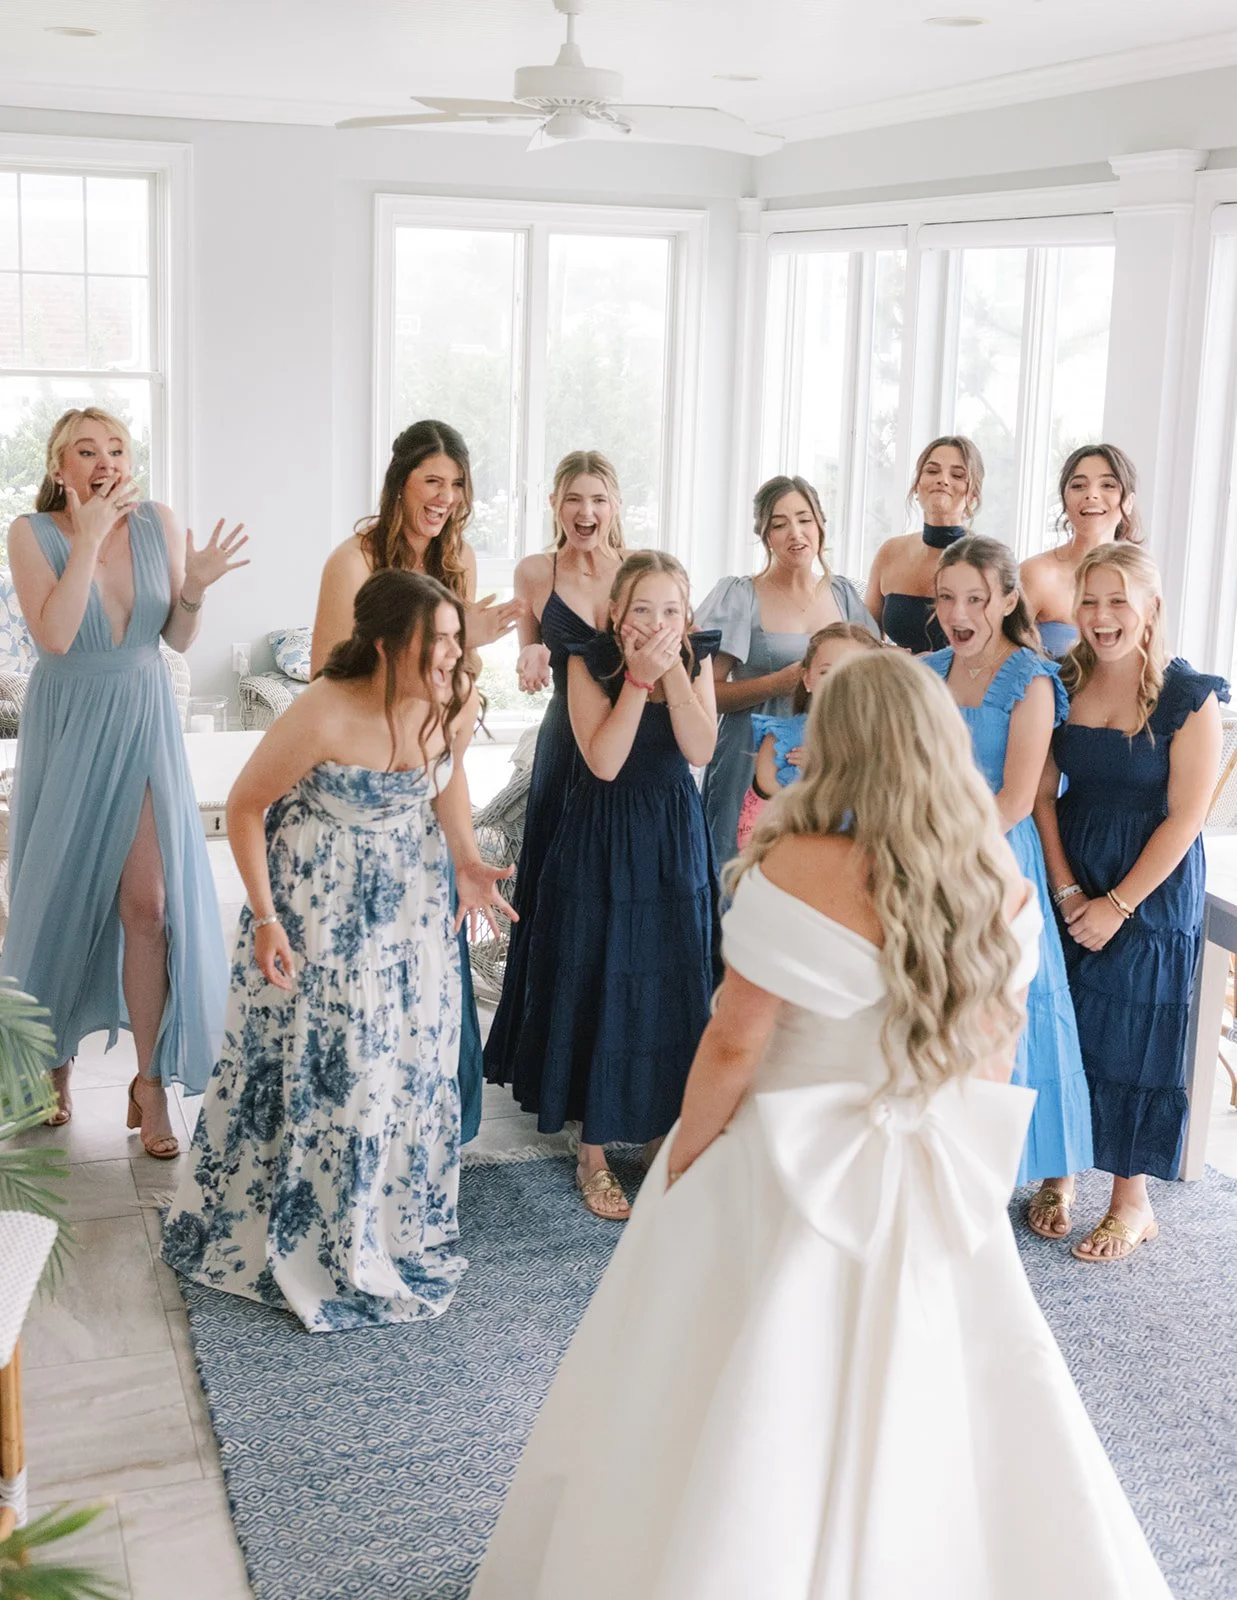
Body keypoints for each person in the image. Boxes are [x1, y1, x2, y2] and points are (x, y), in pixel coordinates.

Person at [469, 650, 1172, 1600]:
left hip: (778, 1158)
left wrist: (686, 1159)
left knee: (719, 1380)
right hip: (932, 1160)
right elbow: (996, 1050)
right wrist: (960, 1167)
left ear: (836, 747)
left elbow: (731, 1044)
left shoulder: (799, 863)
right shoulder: (993, 883)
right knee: (948, 1391)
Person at [161, 571, 515, 1331]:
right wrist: (264, 920)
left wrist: (466, 860)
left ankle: (388, 1226)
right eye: (440, 640)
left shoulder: (452, 698)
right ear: (387, 645)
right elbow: (247, 808)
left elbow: (443, 782)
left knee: (405, 1066)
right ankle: (314, 1237)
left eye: (457, 637)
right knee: (338, 1070)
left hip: (412, 908)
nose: (455, 653)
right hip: (318, 908)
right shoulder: (320, 711)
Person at [2, 407, 244, 1153]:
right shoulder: (29, 533)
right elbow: (55, 633)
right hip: (69, 722)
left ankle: (149, 1085)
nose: (105, 460)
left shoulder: (159, 523)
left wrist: (195, 588)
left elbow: (172, 637)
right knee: (56, 901)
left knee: (152, 906)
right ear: (59, 468)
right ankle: (51, 1062)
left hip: (141, 716)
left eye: (116, 448)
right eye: (86, 450)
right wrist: (92, 537)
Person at [310, 420, 509, 1143]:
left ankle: (429, 1138)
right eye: (433, 482)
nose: (446, 499)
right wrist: (455, 654)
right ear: (401, 484)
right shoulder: (353, 561)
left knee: (431, 966)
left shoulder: (459, 562)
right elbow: (326, 680)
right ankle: (362, 1134)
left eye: (456, 486)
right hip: (362, 795)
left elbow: (449, 699)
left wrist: (461, 676)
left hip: (428, 782)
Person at [506, 551, 720, 1220]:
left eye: (670, 611)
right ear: (615, 613)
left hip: (671, 838)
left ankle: (661, 1134)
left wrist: (674, 676)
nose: (655, 623)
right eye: (642, 610)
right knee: (603, 977)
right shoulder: (584, 658)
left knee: (670, 978)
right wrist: (636, 679)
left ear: (685, 617)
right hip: (601, 836)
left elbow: (700, 749)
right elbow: (601, 760)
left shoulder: (697, 658)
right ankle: (593, 1153)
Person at [1035, 545, 1226, 1261]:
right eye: (1089, 600)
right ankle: (1058, 1172)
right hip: (1072, 868)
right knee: (1068, 1023)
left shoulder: (1188, 696)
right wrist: (1064, 889)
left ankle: (1130, 1199)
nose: (1100, 616)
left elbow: (1186, 817)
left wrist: (1114, 904)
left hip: (1148, 888)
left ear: (1148, 609)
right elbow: (1037, 794)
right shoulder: (1059, 681)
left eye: (1117, 601)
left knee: (1133, 1036)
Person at [925, 537, 1093, 1224]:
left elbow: (1016, 800)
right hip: (931, 852)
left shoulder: (1028, 677)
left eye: (973, 598)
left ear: (1004, 599)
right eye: (945, 598)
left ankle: (1052, 1168)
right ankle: (949, 1155)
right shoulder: (927, 670)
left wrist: (944, 851)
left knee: (1023, 1012)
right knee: (942, 1010)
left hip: (997, 860)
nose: (958, 613)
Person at [483, 451, 626, 1089]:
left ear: (615, 505)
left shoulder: (636, 573)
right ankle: (542, 1051)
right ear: (554, 505)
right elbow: (530, 652)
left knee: (610, 894)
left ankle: (603, 1042)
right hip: (564, 745)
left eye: (598, 499)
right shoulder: (536, 571)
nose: (586, 512)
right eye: (574, 499)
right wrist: (534, 653)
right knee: (554, 893)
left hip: (624, 751)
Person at [697, 475, 876, 867]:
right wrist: (778, 683)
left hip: (831, 758)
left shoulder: (845, 595)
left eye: (804, 519)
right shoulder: (740, 594)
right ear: (765, 536)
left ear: (820, 525)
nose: (795, 532)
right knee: (739, 869)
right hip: (749, 756)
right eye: (779, 524)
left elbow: (875, 682)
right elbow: (705, 693)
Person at [737, 622, 881, 849]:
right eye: (826, 672)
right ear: (807, 679)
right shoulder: (780, 740)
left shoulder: (883, 745)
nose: (838, 682)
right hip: (791, 860)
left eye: (853, 672)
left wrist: (832, 770)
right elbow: (758, 820)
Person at [863, 435, 984, 653]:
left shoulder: (987, 561)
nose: (943, 480)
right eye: (932, 471)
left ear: (973, 495)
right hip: (895, 681)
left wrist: (935, 663)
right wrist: (887, 652)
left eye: (957, 475)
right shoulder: (890, 552)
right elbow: (864, 638)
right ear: (917, 485)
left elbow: (997, 652)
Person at [1021, 443, 1141, 659]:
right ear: (1065, 502)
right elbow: (997, 661)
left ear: (1129, 502)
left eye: (1107, 485)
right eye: (1078, 486)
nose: (1091, 495)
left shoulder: (1141, 580)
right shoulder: (1036, 574)